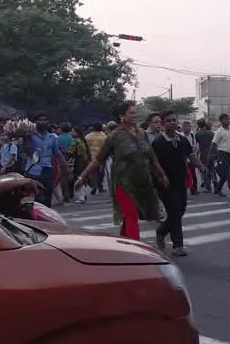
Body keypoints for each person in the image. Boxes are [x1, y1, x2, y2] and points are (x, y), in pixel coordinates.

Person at [75, 102, 167, 241]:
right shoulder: (114, 136)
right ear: (121, 116)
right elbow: (98, 159)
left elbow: (151, 157)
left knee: (131, 216)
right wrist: (82, 177)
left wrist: (161, 175)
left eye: (135, 112)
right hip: (123, 184)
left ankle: (124, 243)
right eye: (131, 112)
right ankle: (135, 251)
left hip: (142, 183)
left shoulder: (141, 133)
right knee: (131, 216)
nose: (134, 115)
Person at [152, 111, 202, 256]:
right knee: (173, 211)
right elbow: (153, 164)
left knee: (180, 211)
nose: (173, 122)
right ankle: (177, 245)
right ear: (162, 124)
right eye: (169, 121)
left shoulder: (183, 140)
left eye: (174, 120)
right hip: (165, 184)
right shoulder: (158, 143)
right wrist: (160, 177)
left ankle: (161, 231)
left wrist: (202, 167)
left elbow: (191, 156)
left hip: (180, 182)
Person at [27, 112, 66, 207]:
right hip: (33, 170)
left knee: (48, 194)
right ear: (35, 122)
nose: (42, 122)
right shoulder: (29, 136)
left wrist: (65, 168)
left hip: (48, 169)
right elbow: (26, 150)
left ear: (48, 122)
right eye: (40, 120)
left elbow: (57, 153)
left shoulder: (52, 137)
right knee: (38, 197)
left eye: (45, 120)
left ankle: (46, 216)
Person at [211, 114, 230, 196]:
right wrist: (217, 156)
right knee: (226, 173)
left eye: (228, 119)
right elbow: (214, 144)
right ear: (221, 121)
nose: (228, 121)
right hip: (222, 153)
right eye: (225, 119)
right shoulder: (219, 131)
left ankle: (217, 189)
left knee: (229, 173)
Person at [84, 123, 107, 194]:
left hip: (91, 157)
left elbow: (86, 147)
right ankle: (100, 186)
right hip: (101, 156)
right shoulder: (104, 136)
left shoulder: (88, 136)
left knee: (93, 173)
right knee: (101, 172)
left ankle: (94, 185)